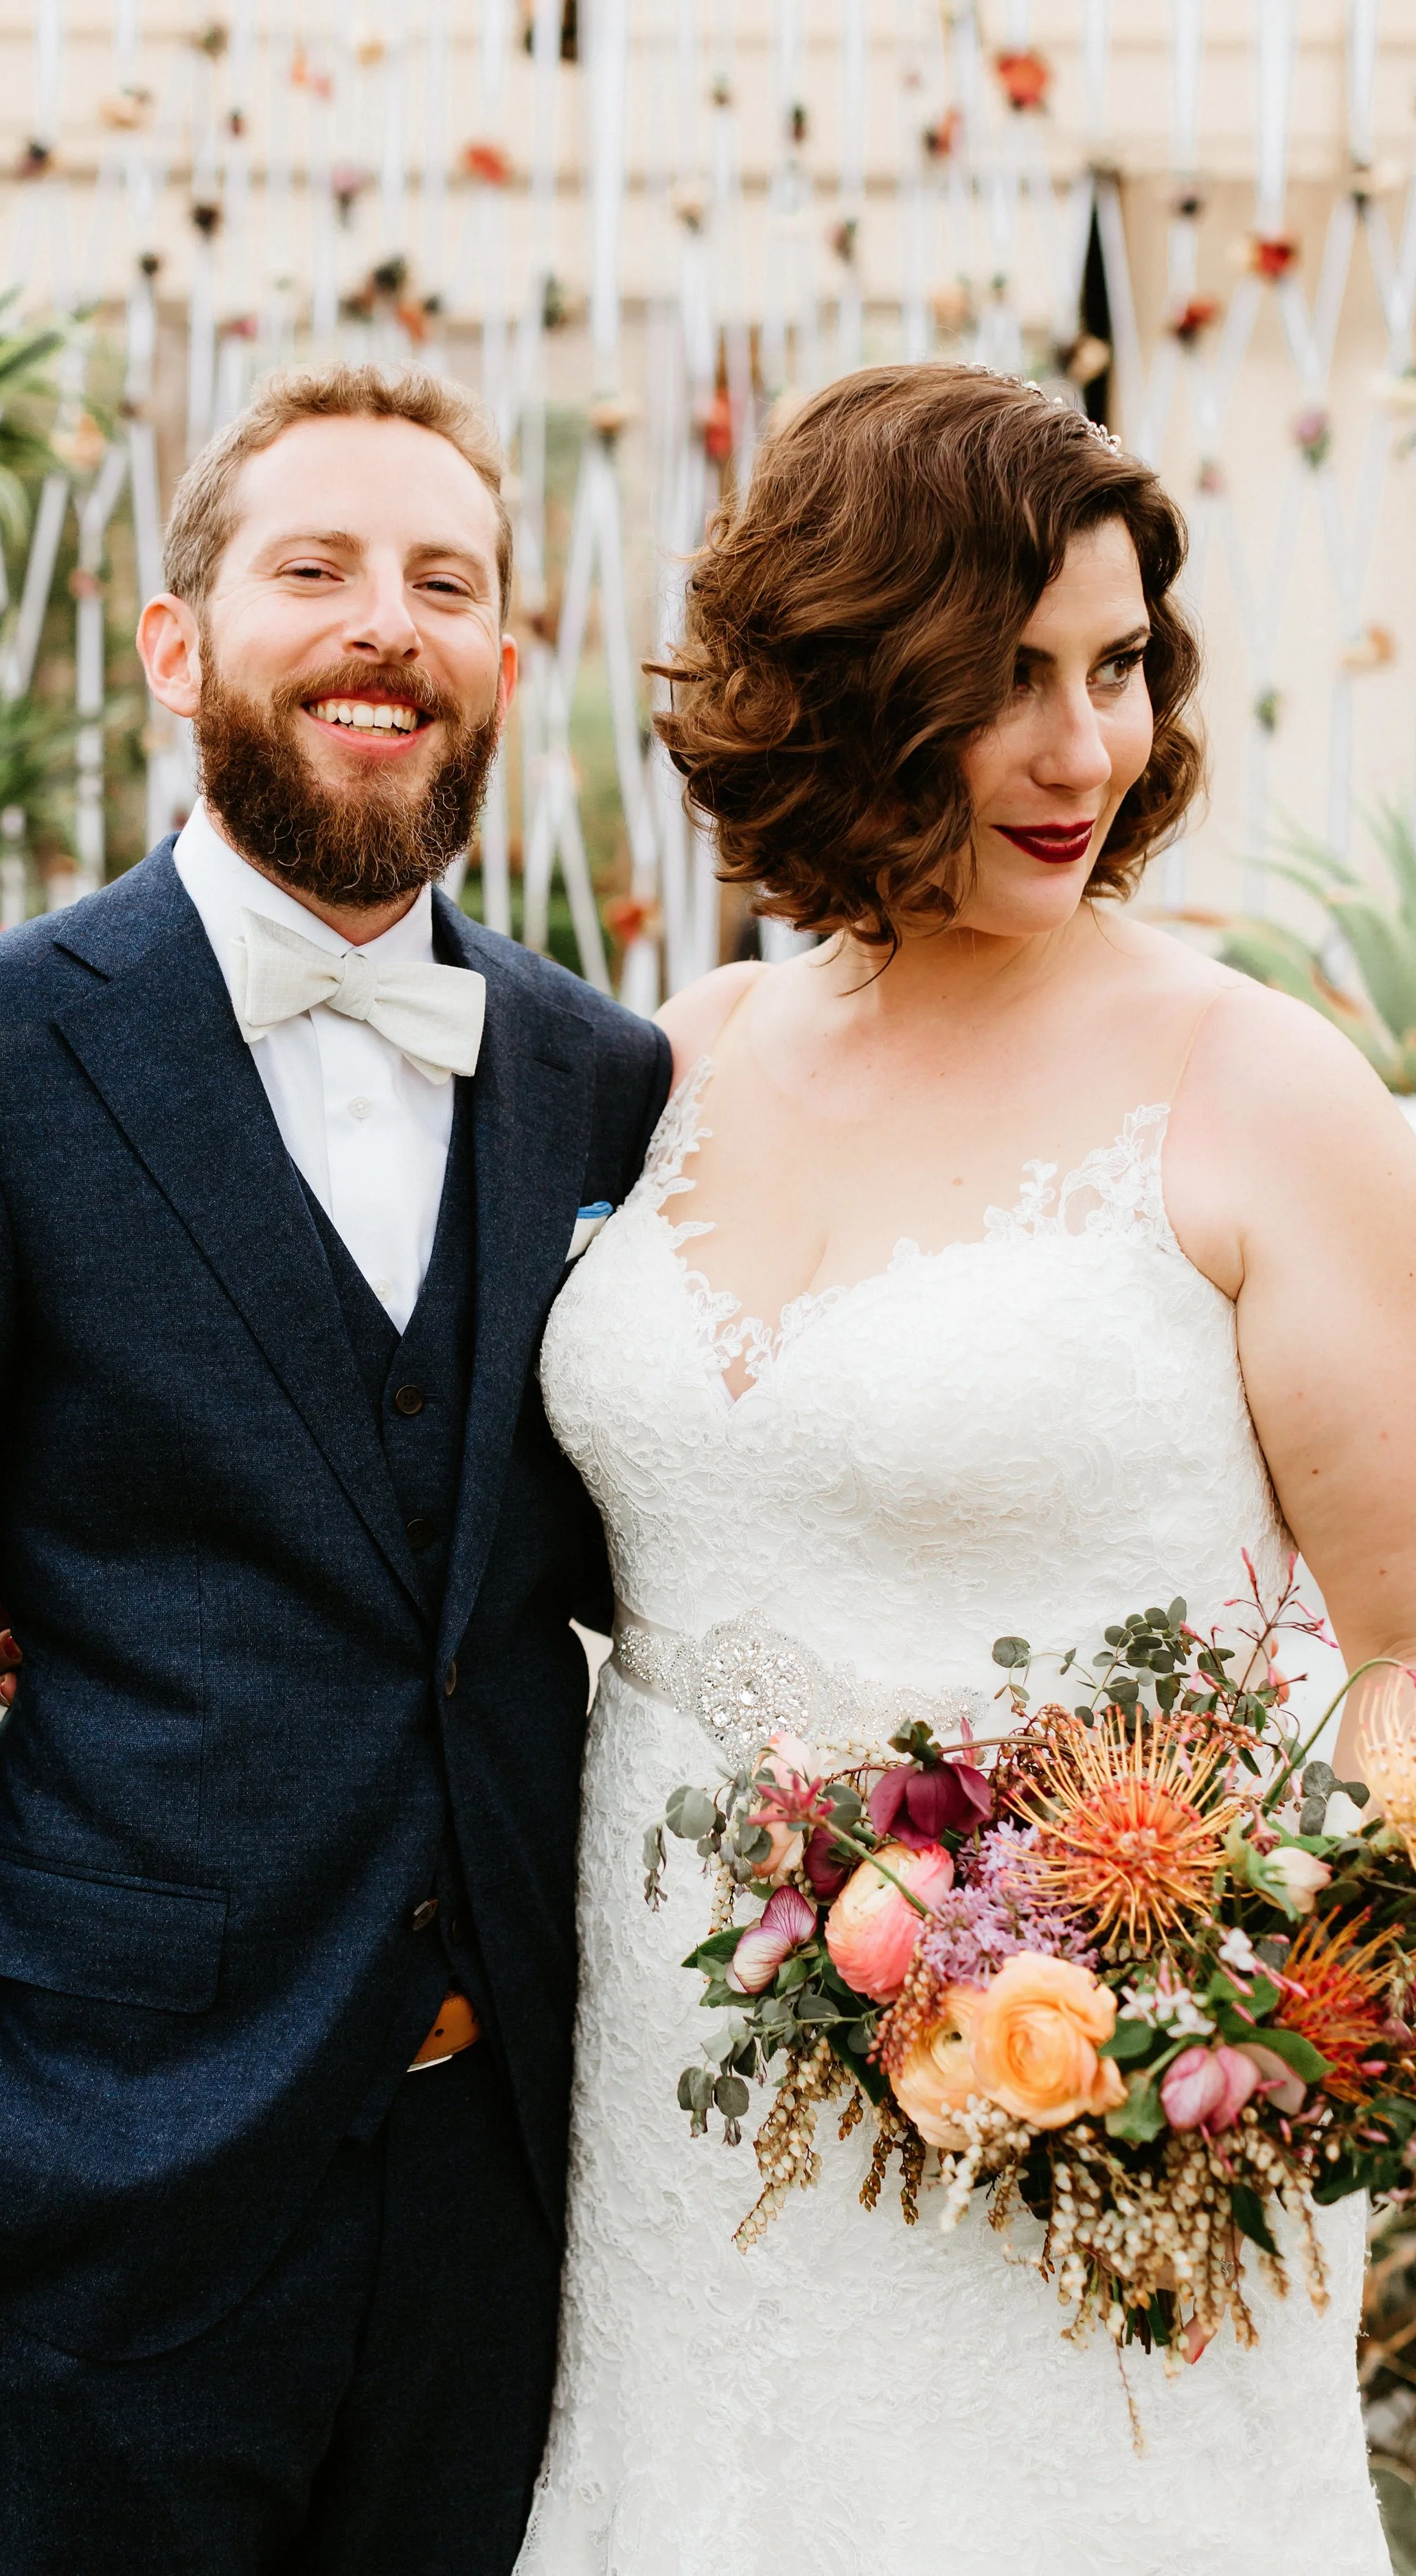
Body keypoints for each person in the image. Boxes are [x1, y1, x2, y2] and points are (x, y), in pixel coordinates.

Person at [0, 362, 668, 2576]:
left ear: (504, 668)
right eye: (314, 568)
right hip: (104, 2179)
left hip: (510, 2189)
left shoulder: (603, 1079)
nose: (386, 624)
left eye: (445, 581)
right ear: (178, 644)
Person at [521, 366, 1413, 2573]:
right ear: (845, 684)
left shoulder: (1256, 1083)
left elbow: (1404, 1651)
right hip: (673, 2144)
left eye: (1115, 669)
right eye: (1002, 678)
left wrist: (1262, 2016)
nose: (1081, 750)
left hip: (1094, 2147)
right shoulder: (687, 1059)